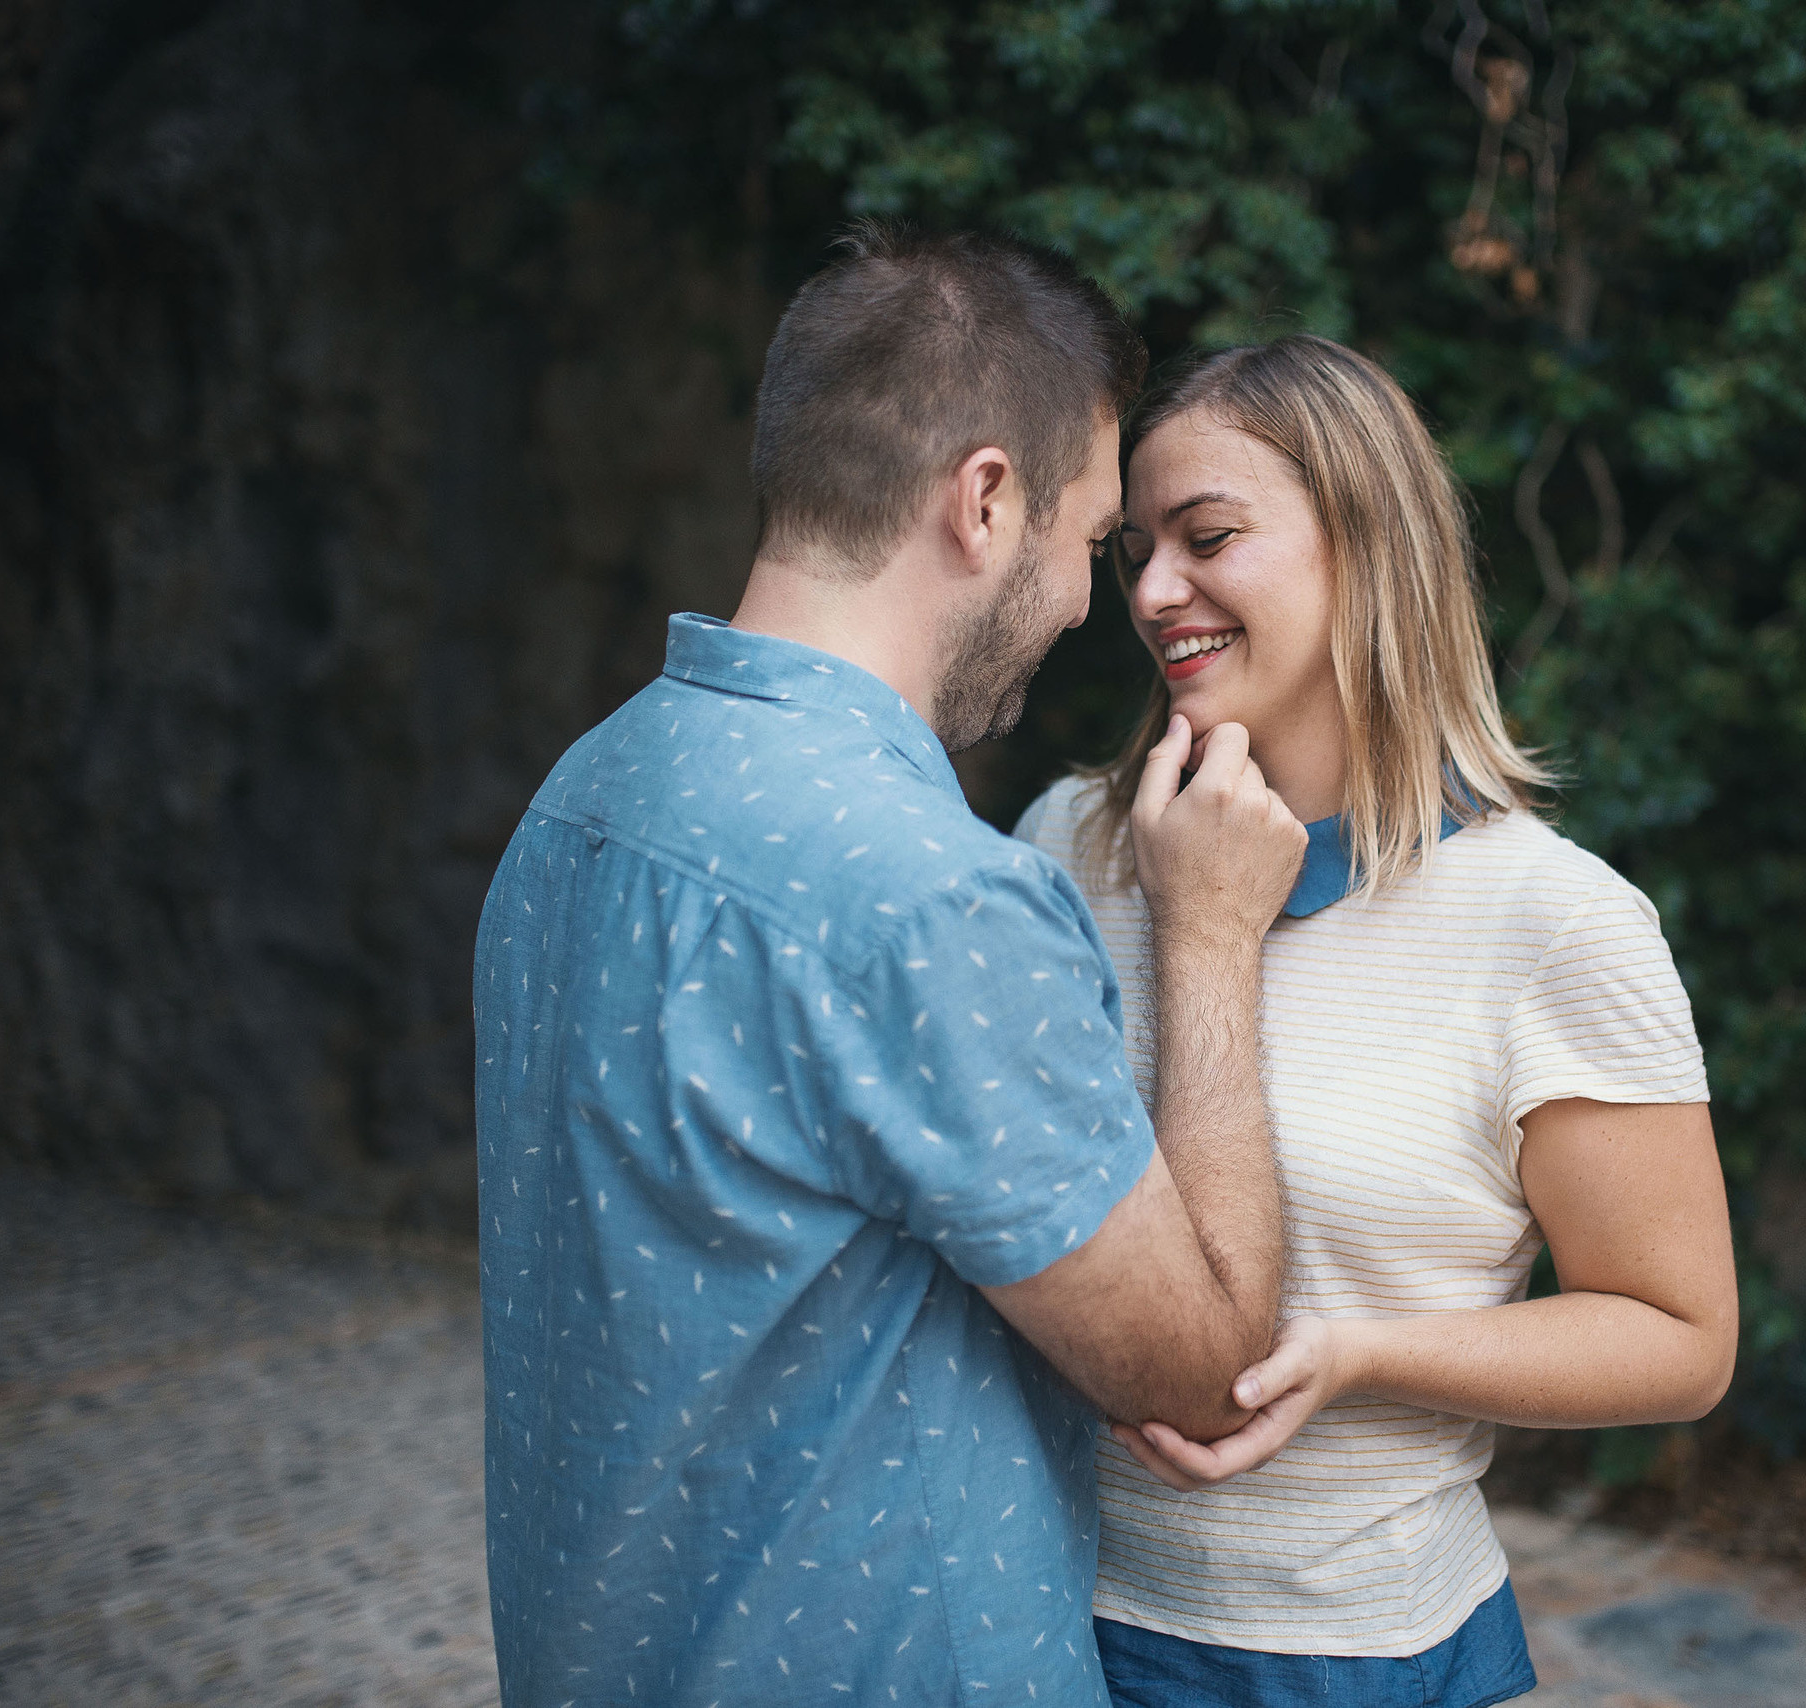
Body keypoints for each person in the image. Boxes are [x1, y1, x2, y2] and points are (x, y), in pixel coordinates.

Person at [472, 227, 1311, 1707]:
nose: (1084, 604)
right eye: (1091, 541)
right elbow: (1204, 1366)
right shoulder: (932, 901)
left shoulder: (579, 801)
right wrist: (1212, 936)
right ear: (984, 501)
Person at [1014, 335, 1740, 1708]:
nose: (1157, 592)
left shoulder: (1553, 923)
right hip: (1035, 1627)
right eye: (1132, 553)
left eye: (1209, 536)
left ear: (1367, 543)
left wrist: (1359, 1353)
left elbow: (1679, 1336)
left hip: (1354, 1657)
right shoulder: (1069, 845)